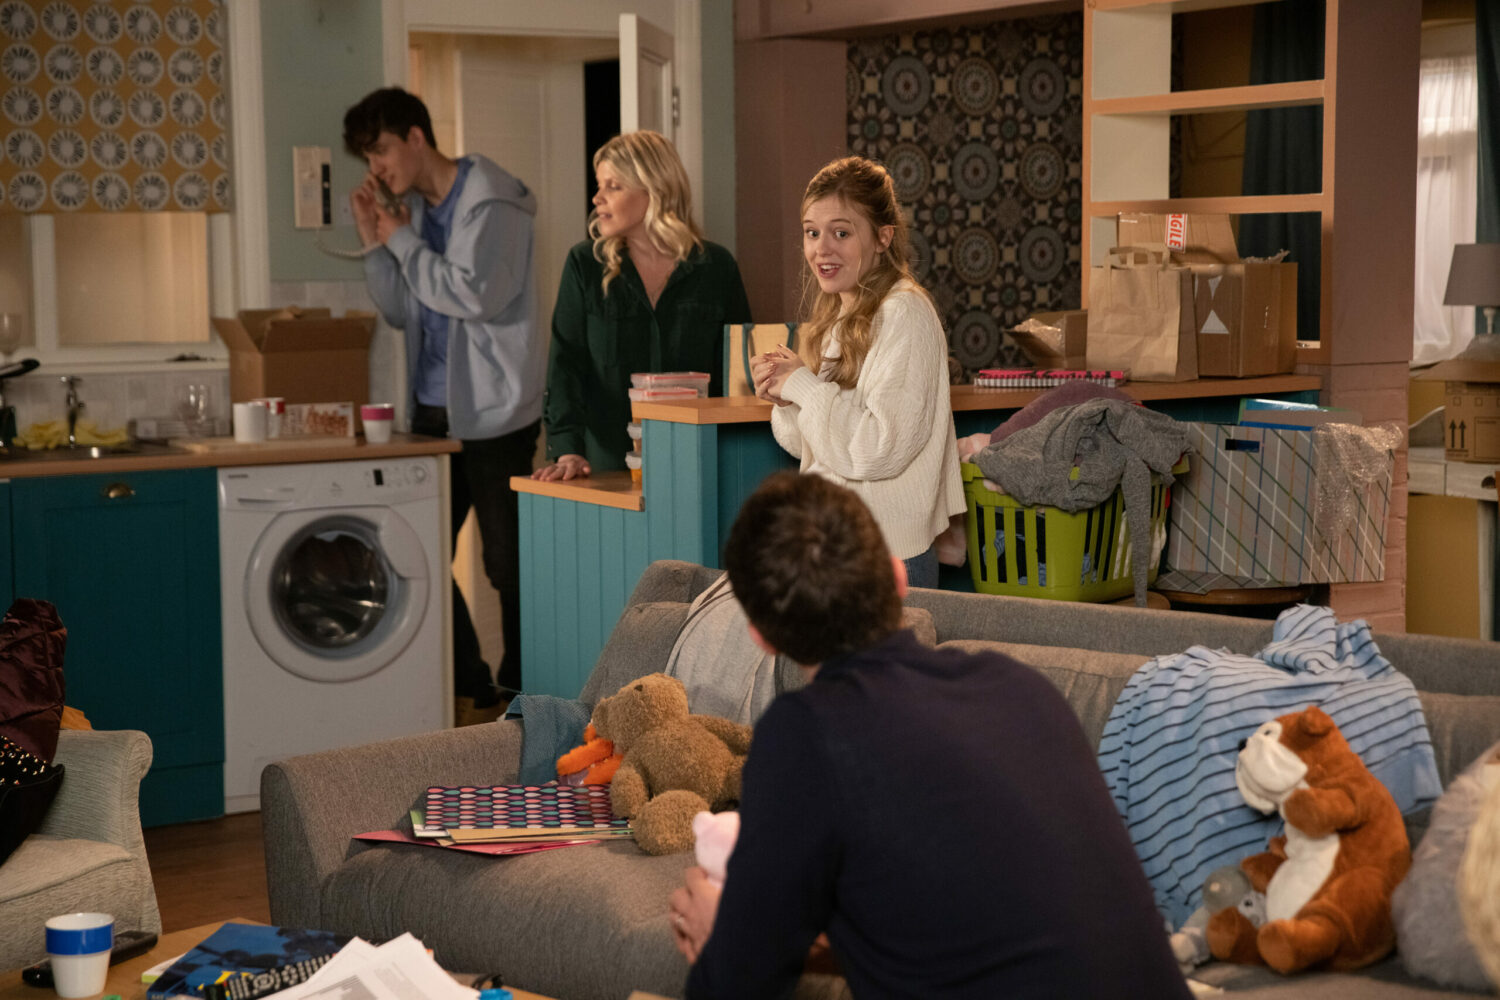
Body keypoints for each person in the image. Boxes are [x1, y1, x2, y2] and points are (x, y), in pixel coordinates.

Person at [668, 472, 1193, 999]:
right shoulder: (1018, 687)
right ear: (899, 580)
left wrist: (722, 934)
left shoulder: (804, 734)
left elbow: (737, 986)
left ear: (759, 634)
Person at [343, 87, 541, 714]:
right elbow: (404, 312)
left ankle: (521, 695)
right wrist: (378, 243)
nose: (376, 168)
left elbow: (474, 295)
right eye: (368, 159)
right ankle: (471, 681)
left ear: (416, 137)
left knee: (506, 567)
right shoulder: (417, 215)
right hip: (431, 414)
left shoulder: (494, 203)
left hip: (493, 413)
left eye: (380, 151)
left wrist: (401, 242)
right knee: (416, 553)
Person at [750, 156, 964, 590]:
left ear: (883, 237)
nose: (820, 249)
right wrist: (786, 396)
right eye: (812, 232)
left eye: (841, 233)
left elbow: (876, 449)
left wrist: (806, 389)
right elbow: (814, 446)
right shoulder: (849, 312)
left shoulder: (904, 313)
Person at [533, 130, 751, 481]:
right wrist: (567, 449)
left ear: (655, 190)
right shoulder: (584, 265)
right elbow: (565, 366)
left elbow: (738, 376)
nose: (597, 197)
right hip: (605, 469)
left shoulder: (717, 267)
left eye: (613, 186)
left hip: (698, 465)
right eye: (599, 185)